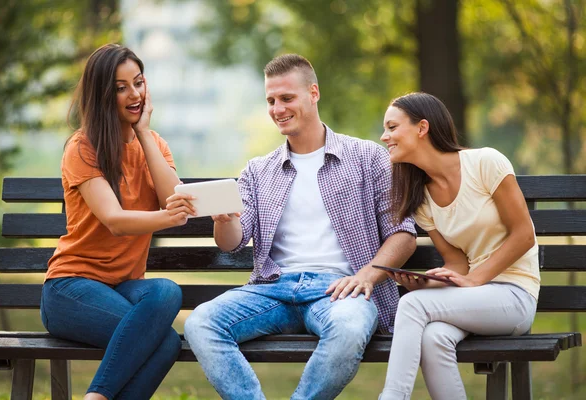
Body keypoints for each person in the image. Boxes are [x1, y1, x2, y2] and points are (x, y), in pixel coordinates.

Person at [183, 54, 417, 400]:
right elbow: (232, 243)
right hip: (273, 289)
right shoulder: (257, 171)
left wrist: (366, 277)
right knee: (200, 323)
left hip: (340, 291)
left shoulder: (368, 157)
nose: (277, 109)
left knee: (350, 329)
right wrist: (224, 220)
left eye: (287, 98)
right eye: (271, 101)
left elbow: (404, 234)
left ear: (313, 93)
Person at [40, 44, 196, 400]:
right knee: (166, 342)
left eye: (138, 83)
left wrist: (143, 134)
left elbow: (173, 196)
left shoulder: (154, 143)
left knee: (167, 291)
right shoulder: (82, 147)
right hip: (70, 289)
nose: (134, 94)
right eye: (121, 87)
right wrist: (166, 216)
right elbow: (114, 220)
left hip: (121, 288)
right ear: (102, 94)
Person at [377, 92, 540, 400]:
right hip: (474, 299)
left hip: (515, 294)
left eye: (392, 127)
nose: (384, 136)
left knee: (411, 307)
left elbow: (523, 235)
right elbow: (458, 264)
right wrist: (429, 282)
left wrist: (474, 279)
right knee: (434, 337)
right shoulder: (422, 199)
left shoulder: (485, 163)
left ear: (422, 128)